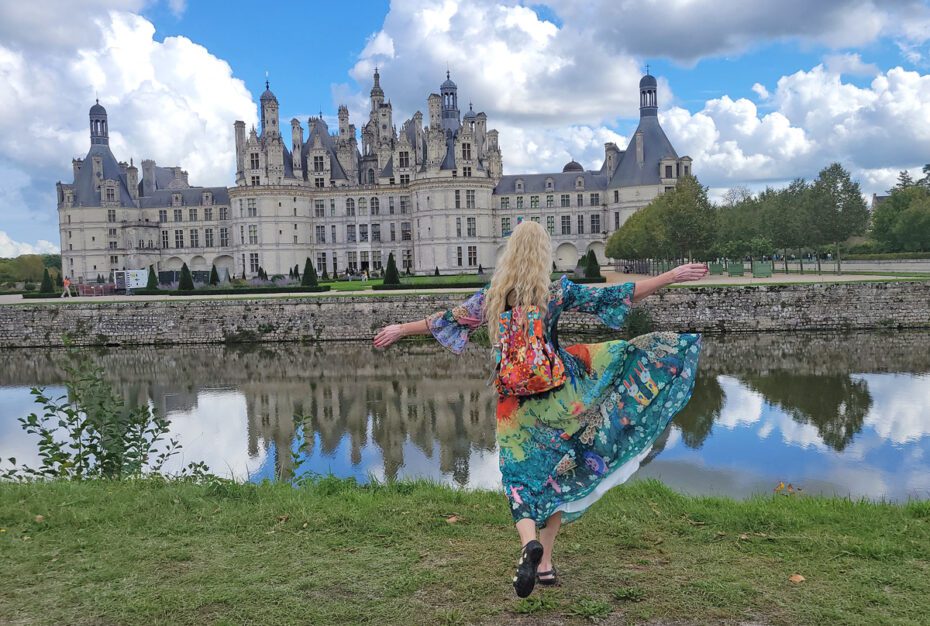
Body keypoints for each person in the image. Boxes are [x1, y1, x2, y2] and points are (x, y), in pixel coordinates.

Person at [373, 221, 707, 598]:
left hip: (513, 404)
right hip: (559, 395)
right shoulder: (556, 292)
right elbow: (620, 295)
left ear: (511, 253)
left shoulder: (493, 297)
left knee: (517, 476)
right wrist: (671, 276)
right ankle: (544, 564)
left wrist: (400, 328)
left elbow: (444, 321)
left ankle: (528, 545)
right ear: (544, 254)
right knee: (556, 477)